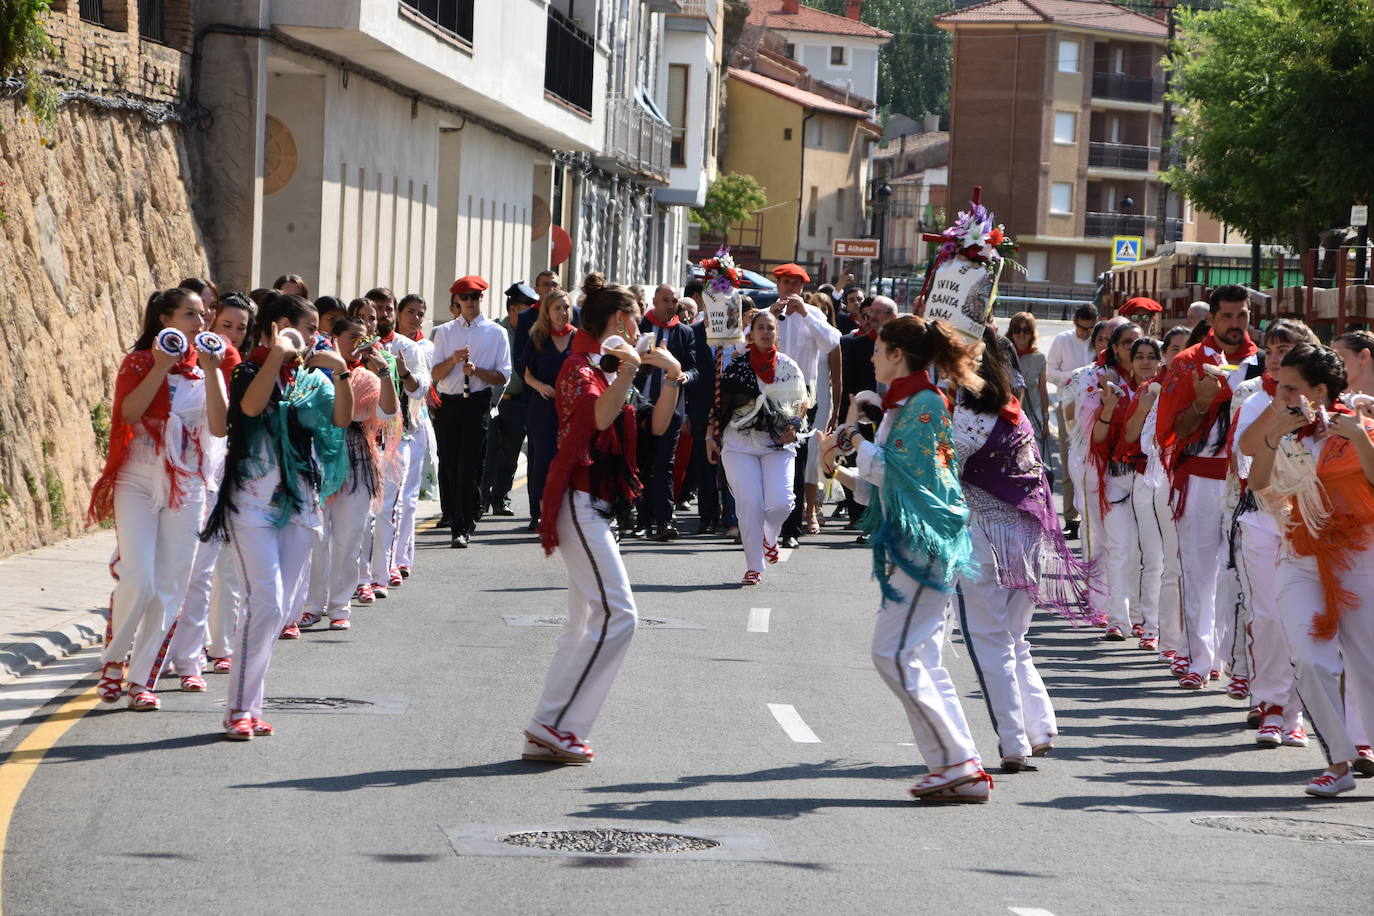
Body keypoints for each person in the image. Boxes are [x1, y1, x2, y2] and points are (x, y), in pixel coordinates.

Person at [819, 316, 994, 803]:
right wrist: (842, 466)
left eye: (878, 348)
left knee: (893, 653)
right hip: (912, 544)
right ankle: (957, 765)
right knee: (921, 659)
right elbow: (888, 482)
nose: (871, 356)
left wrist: (854, 442)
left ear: (898, 354)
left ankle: (958, 764)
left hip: (926, 546)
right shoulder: (908, 403)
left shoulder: (923, 404)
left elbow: (909, 476)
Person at [524, 285, 682, 764]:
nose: (640, 328)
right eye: (634, 318)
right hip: (579, 501)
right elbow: (597, 417)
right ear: (617, 321)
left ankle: (545, 727)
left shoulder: (605, 366)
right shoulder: (579, 366)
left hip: (599, 507)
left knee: (581, 625)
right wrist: (632, 365)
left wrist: (672, 375)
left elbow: (655, 427)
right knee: (620, 615)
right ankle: (559, 726)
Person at [201, 294, 351, 739]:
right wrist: (280, 354)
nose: (313, 338)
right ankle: (239, 709)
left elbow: (341, 420)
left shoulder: (311, 380)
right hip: (251, 502)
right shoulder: (249, 370)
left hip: (300, 501)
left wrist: (339, 369)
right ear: (283, 325)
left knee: (280, 609)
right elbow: (248, 409)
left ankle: (250, 703)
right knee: (264, 601)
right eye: (307, 329)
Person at [954, 326, 1098, 773]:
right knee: (1015, 641)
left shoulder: (963, 418)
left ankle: (1014, 742)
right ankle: (1039, 728)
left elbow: (938, 477)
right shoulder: (1013, 412)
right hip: (1028, 539)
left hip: (986, 540)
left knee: (991, 642)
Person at [89, 288, 228, 710]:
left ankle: (143, 679)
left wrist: (212, 373)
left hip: (187, 482)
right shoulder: (139, 362)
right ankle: (114, 661)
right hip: (138, 476)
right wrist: (160, 367)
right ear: (164, 319)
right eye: (190, 315)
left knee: (171, 584)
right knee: (139, 577)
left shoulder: (206, 369)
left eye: (203, 316)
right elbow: (128, 414)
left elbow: (220, 428)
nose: (200, 323)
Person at [1246, 345, 1374, 796]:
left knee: (1368, 663)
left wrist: (1359, 437)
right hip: (1299, 555)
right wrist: (1273, 434)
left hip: (1360, 554)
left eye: (1291, 388)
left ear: (1320, 390)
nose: (1280, 393)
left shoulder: (1363, 424)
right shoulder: (1289, 434)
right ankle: (1339, 764)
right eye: (1280, 386)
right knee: (1312, 660)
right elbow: (1260, 485)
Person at [1155, 285, 1258, 689]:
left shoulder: (1264, 364)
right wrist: (1201, 401)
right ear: (1211, 320)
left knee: (1236, 577)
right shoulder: (1187, 363)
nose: (1235, 324)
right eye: (1228, 316)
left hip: (1245, 485)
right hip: (1197, 480)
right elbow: (1175, 430)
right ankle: (1200, 660)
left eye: (1242, 316)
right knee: (1197, 572)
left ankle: (1235, 662)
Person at [1233, 319, 1319, 745]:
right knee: (1267, 617)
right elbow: (1247, 453)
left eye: (1288, 349)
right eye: (1272, 351)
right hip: (1263, 521)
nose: (1278, 357)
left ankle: (1294, 711)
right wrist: (1279, 404)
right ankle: (1269, 705)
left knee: (1300, 621)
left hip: (1312, 527)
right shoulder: (1254, 400)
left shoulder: (1327, 405)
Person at [165, 292, 251, 683]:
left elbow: (223, 423)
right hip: (162, 477)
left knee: (208, 571)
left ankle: (193, 657)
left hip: (212, 473)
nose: (231, 334)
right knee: (166, 572)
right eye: (225, 325)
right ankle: (158, 651)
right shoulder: (162, 362)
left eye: (241, 328)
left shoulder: (227, 362)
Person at [708, 311, 807, 585]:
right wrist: (710, 437)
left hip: (778, 443)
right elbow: (721, 407)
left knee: (781, 502)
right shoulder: (736, 366)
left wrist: (795, 426)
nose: (766, 332)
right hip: (740, 444)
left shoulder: (789, 366)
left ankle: (769, 536)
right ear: (751, 333)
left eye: (770, 328)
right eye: (760, 328)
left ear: (777, 333)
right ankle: (754, 566)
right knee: (750, 503)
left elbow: (802, 400)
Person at [431, 276, 512, 548]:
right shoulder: (444, 332)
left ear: (481, 298)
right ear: (457, 300)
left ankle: (461, 526)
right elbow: (434, 374)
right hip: (449, 402)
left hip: (477, 401)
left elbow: (502, 376)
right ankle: (459, 512)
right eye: (463, 297)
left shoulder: (495, 332)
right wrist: (453, 360)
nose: (469, 302)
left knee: (470, 464)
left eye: (473, 297)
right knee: (450, 463)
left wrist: (477, 371)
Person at [770, 263, 841, 548]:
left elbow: (831, 343)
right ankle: (768, 525)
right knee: (770, 459)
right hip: (771, 396)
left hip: (802, 398)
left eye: (795, 284)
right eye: (785, 283)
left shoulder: (814, 314)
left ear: (803, 288)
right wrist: (771, 317)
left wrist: (806, 315)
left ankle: (791, 530)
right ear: (778, 286)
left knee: (797, 463)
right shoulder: (770, 313)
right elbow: (749, 340)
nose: (790, 289)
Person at [369, 288, 427, 593]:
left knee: (397, 503)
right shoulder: (359, 346)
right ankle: (366, 569)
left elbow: (420, 391)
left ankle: (392, 563)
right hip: (364, 437)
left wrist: (402, 372)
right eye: (376, 309)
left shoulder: (407, 348)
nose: (383, 314)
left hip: (400, 436)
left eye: (388, 308)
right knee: (369, 509)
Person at [1089, 322, 1144, 641]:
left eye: (1141, 347)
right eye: (1126, 344)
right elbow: (1097, 437)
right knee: (1119, 549)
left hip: (1152, 483)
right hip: (1117, 479)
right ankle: (1118, 619)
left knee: (1148, 556)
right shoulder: (1105, 383)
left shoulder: (1164, 386)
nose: (1133, 351)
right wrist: (1108, 407)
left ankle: (1143, 619)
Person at [634, 283, 699, 540]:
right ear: (654, 301)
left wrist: (683, 376)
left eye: (674, 301)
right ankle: (642, 520)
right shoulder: (640, 327)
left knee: (664, 466)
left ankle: (665, 521)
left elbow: (695, 370)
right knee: (641, 464)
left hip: (671, 408)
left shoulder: (685, 333)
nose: (671, 306)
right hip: (641, 408)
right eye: (666, 300)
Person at [524, 289, 576, 534]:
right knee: (543, 462)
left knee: (568, 461)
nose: (562, 313)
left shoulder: (579, 338)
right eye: (557, 308)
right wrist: (540, 386)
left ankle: (567, 516)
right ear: (547, 312)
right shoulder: (538, 337)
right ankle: (546, 517)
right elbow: (526, 374)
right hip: (543, 409)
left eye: (566, 307)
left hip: (571, 410)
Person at [484, 283, 539, 518]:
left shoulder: (533, 333)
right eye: (526, 310)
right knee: (488, 452)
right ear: (513, 310)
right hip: (496, 401)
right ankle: (481, 498)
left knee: (511, 454)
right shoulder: (496, 330)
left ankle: (500, 498)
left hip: (521, 401)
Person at [1047, 305, 1098, 538]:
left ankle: (1090, 514)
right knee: (1069, 461)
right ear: (1074, 321)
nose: (1086, 333)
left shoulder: (1097, 340)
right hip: (1068, 404)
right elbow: (1049, 372)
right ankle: (1070, 516)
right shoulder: (1062, 339)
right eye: (1082, 328)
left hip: (1094, 406)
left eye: (1090, 329)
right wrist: (1078, 376)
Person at [394, 293, 436, 576]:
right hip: (387, 425)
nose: (415, 318)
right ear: (399, 313)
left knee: (408, 498)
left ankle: (403, 557)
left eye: (420, 313)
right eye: (410, 311)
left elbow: (424, 386)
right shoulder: (388, 344)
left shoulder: (425, 347)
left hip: (415, 423)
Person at [802, 294, 843, 534]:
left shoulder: (832, 340)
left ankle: (814, 507)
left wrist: (836, 411)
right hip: (801, 400)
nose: (820, 313)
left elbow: (837, 380)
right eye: (815, 308)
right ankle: (800, 506)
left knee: (815, 455)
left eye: (825, 309)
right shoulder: (801, 337)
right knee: (799, 454)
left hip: (823, 403)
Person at [1007, 312, 1050, 461]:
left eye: (1026, 330)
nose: (1021, 334)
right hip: (1006, 418)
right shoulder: (1003, 356)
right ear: (1011, 332)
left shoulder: (1039, 358)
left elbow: (1043, 392)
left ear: (1032, 333)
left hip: (1032, 418)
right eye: (1017, 329)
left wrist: (1045, 421)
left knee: (1031, 461)